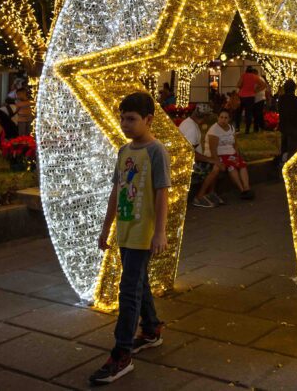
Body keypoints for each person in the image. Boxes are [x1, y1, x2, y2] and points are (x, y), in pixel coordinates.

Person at [89, 92, 170, 385]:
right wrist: (106, 227)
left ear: (148, 120)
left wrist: (160, 231)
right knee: (138, 282)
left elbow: (163, 193)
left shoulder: (156, 151)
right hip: (125, 229)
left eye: (132, 119)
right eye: (123, 118)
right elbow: (116, 191)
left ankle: (121, 354)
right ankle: (151, 329)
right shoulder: (124, 151)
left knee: (128, 291)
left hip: (143, 232)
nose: (125, 123)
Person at [207, 108, 254, 199]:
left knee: (242, 165)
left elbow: (235, 143)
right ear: (218, 118)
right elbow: (213, 149)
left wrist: (237, 154)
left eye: (226, 118)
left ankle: (247, 188)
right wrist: (217, 162)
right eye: (221, 117)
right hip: (220, 154)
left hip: (231, 153)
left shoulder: (231, 127)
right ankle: (242, 190)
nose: (223, 120)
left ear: (229, 119)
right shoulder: (214, 130)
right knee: (232, 167)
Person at [182, 106, 222, 208]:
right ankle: (199, 197)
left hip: (187, 159)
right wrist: (211, 160)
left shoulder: (189, 122)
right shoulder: (192, 129)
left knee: (216, 163)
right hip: (186, 164)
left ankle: (210, 193)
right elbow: (190, 154)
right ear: (205, 117)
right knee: (215, 166)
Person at [278, 79, 297, 170]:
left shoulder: (281, 99)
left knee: (285, 145)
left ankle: (283, 162)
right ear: (294, 89)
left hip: (284, 126)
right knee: (295, 146)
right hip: (295, 127)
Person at [237, 67, 265, 135]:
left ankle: (237, 128)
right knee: (248, 114)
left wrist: (242, 87)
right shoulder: (255, 77)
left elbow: (239, 85)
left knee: (239, 113)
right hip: (251, 97)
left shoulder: (243, 75)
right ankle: (247, 130)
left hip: (241, 96)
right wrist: (256, 90)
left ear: (246, 71)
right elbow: (263, 85)